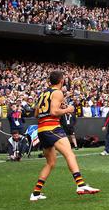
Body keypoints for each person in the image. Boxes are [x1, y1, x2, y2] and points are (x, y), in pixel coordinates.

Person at [29, 71, 99, 201]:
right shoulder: (58, 92)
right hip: (52, 128)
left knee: (50, 163)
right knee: (69, 154)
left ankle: (36, 193)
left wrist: (57, 108)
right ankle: (80, 184)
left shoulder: (43, 93)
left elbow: (37, 114)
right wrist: (68, 110)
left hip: (42, 129)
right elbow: (54, 111)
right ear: (61, 81)